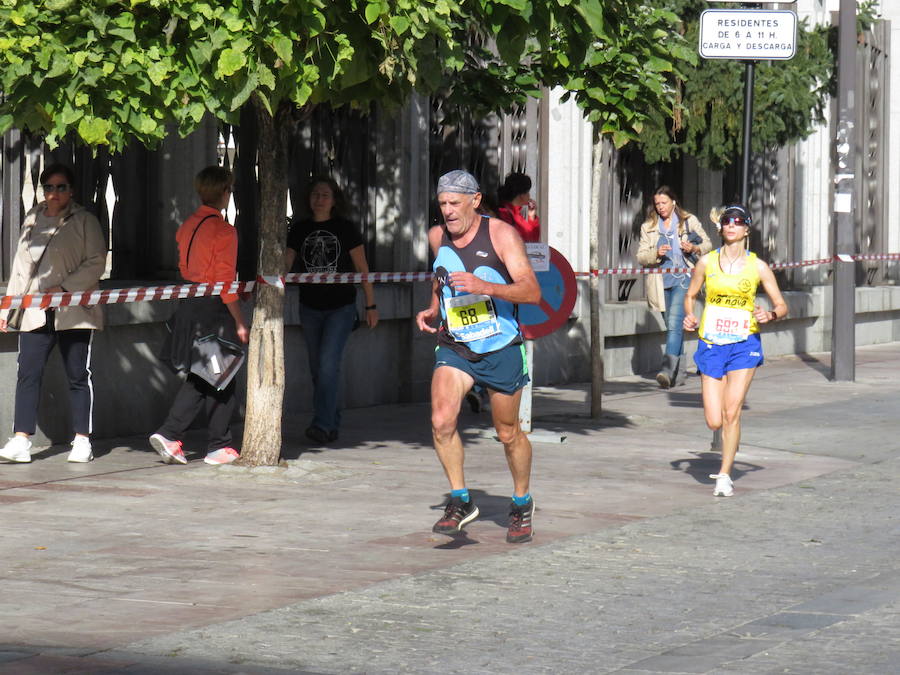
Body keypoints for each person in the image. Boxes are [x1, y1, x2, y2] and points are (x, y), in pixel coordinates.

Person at [416, 169, 541, 543]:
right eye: (442, 204)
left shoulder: (501, 234)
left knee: (507, 432)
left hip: (500, 346)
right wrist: (433, 307)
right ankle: (460, 499)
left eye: (455, 203)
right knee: (441, 420)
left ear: (475, 200)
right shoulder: (437, 236)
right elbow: (443, 277)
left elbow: (532, 292)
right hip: (456, 345)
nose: (448, 212)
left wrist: (485, 286)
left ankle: (521, 500)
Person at [0, 163, 106, 463]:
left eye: (61, 187)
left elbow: (96, 262)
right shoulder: (32, 218)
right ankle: (21, 439)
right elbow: (20, 267)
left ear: (71, 191)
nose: (54, 193)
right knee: (28, 373)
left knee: (77, 374)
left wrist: (64, 290)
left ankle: (82, 439)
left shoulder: (84, 220)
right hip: (34, 309)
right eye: (48, 187)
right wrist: (9, 306)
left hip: (72, 309)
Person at [683, 204, 788, 497]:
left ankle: (725, 474)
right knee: (714, 419)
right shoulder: (706, 262)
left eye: (738, 222)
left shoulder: (759, 267)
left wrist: (771, 314)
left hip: (744, 344)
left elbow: (782, 304)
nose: (732, 225)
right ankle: (728, 445)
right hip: (712, 342)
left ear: (746, 229)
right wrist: (689, 315)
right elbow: (690, 296)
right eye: (727, 221)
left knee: (732, 412)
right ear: (721, 229)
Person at [149, 166, 249, 466]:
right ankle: (190, 436)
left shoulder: (189, 224)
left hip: (189, 301)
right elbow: (224, 282)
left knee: (211, 374)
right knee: (217, 373)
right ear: (224, 193)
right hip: (213, 308)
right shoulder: (224, 230)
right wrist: (240, 321)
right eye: (229, 189)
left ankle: (214, 441)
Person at [284, 177, 378, 444]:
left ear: (334, 200)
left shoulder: (345, 228)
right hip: (309, 307)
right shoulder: (299, 229)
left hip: (341, 308)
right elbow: (287, 261)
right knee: (318, 368)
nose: (319, 199)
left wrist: (370, 305)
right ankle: (330, 420)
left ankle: (322, 424)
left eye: (325, 195)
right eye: (315, 194)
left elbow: (362, 269)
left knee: (327, 365)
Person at [636, 186, 712, 388]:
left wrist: (694, 248)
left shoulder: (689, 221)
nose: (660, 207)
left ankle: (667, 369)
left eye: (664, 203)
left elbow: (708, 245)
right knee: (673, 326)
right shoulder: (649, 227)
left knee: (675, 321)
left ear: (673, 202)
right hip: (660, 282)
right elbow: (641, 256)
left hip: (684, 279)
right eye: (657, 204)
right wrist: (657, 254)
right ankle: (678, 376)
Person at [496, 172, 540, 243]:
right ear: (522, 195)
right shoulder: (505, 214)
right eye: (527, 192)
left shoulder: (515, 214)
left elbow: (533, 242)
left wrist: (531, 217)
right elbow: (529, 239)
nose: (529, 196)